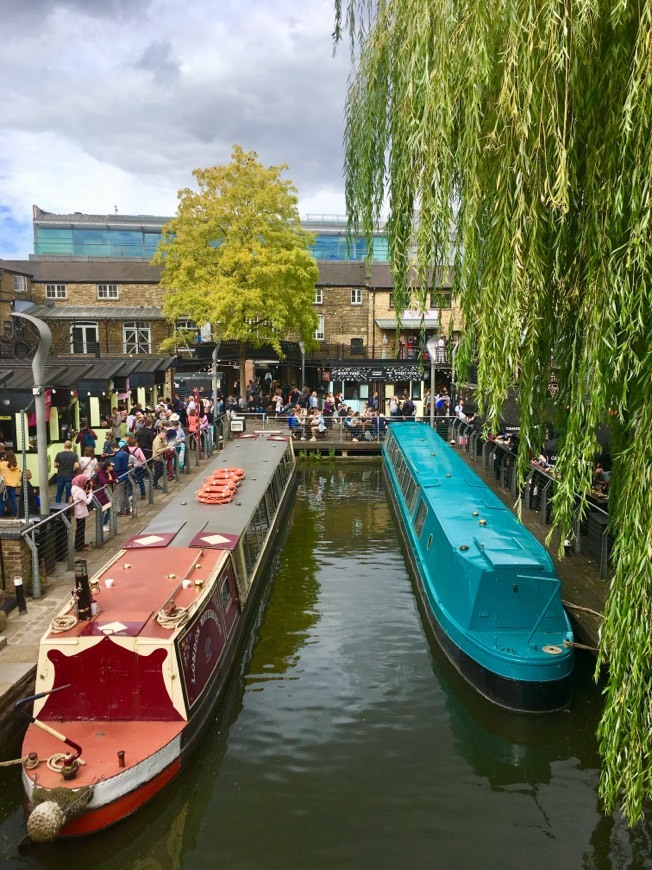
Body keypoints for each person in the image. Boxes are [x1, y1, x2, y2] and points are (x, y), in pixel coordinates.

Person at [70, 474, 94, 551]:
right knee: (80, 529)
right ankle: (78, 545)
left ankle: (81, 543)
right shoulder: (80, 491)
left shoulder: (74, 487)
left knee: (80, 528)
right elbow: (87, 502)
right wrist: (90, 493)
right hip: (80, 511)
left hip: (78, 510)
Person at [94, 460, 116, 531]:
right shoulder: (101, 473)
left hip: (109, 493)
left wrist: (115, 479)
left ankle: (105, 523)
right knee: (103, 510)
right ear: (107, 467)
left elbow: (117, 477)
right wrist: (114, 481)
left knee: (109, 509)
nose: (113, 467)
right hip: (102, 494)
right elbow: (104, 481)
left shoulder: (111, 472)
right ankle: (102, 525)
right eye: (111, 466)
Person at [0, 451, 22, 517]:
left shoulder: (3, 463)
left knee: (2, 501)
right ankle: (14, 515)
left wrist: (2, 459)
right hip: (13, 485)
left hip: (5, 485)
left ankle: (1, 515)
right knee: (13, 500)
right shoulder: (17, 466)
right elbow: (19, 476)